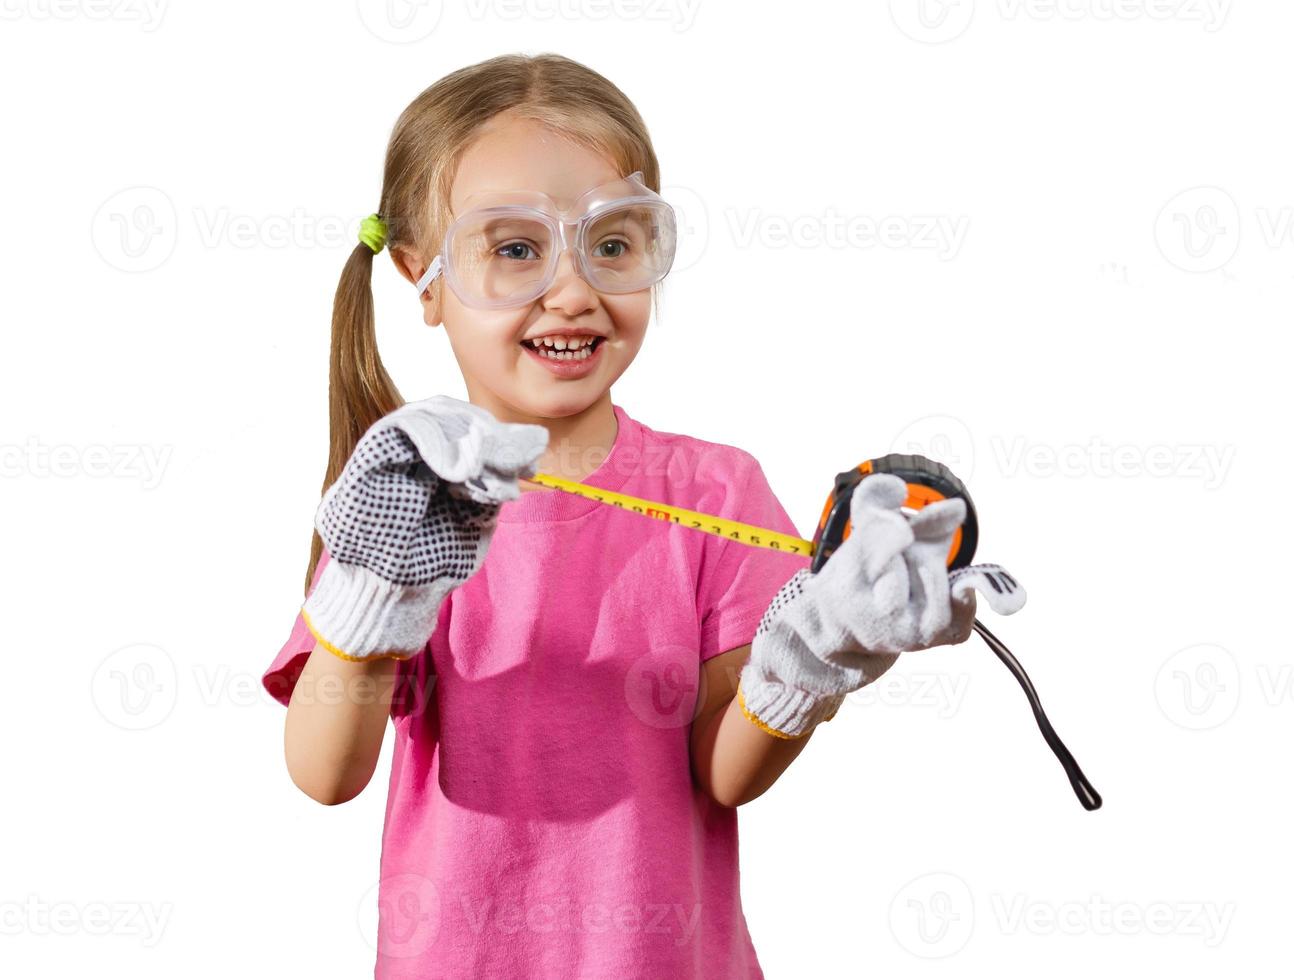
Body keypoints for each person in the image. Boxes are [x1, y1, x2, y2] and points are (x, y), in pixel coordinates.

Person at [261, 52, 999, 978]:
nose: (572, 291)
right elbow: (326, 775)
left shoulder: (715, 493)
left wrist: (812, 661)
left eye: (612, 243)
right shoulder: (410, 501)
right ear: (424, 276)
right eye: (515, 247)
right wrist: (374, 595)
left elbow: (725, 776)